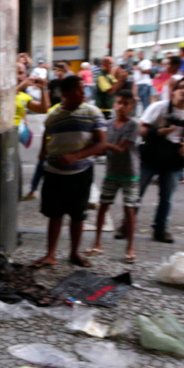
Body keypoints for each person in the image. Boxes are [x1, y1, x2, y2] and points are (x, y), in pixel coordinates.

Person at [33, 76, 107, 268]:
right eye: (79, 89)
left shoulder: (93, 113)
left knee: (77, 215)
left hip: (81, 173)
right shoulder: (54, 114)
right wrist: (43, 149)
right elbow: (48, 133)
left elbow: (101, 143)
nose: (84, 93)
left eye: (84, 89)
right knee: (54, 215)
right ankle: (50, 254)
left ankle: (74, 253)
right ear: (65, 94)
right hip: (54, 172)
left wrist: (75, 157)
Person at [134, 77, 184, 243]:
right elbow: (141, 127)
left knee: (166, 197)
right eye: (181, 87)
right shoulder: (159, 107)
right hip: (152, 155)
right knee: (136, 193)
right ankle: (127, 225)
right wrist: (159, 132)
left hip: (174, 158)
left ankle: (160, 229)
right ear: (174, 90)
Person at [88, 90, 140, 263]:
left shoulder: (133, 125)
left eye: (126, 104)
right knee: (103, 206)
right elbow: (104, 149)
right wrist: (95, 150)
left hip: (129, 174)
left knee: (129, 210)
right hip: (111, 172)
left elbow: (120, 148)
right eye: (119, 103)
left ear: (131, 107)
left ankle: (130, 247)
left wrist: (100, 146)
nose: (121, 107)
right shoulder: (108, 124)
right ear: (114, 105)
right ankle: (97, 243)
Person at [17, 63, 50, 201]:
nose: (20, 76)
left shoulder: (23, 96)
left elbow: (43, 108)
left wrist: (43, 89)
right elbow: (2, 99)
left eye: (22, 72)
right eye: (17, 72)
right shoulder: (5, 91)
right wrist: (20, 86)